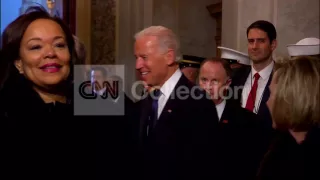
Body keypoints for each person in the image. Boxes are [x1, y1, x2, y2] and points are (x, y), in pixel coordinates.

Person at [0, 6, 95, 179]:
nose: (50, 53)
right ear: (18, 62)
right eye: (36, 47)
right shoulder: (6, 113)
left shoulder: (97, 104)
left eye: (59, 45)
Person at [134, 26, 219, 180]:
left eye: (144, 57)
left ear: (169, 57)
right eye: (136, 58)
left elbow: (203, 167)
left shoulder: (198, 102)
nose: (138, 65)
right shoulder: (146, 101)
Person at [198, 58, 272, 180]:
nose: (208, 87)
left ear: (227, 83)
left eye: (215, 81)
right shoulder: (183, 117)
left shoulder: (248, 122)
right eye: (204, 80)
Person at [257, 56, 320, 180]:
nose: (267, 102)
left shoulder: (299, 161)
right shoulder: (277, 148)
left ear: (289, 99)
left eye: (272, 94)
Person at [231, 20, 277, 126]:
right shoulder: (236, 76)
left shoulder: (284, 78)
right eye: (251, 41)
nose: (254, 46)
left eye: (261, 41)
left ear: (273, 44)